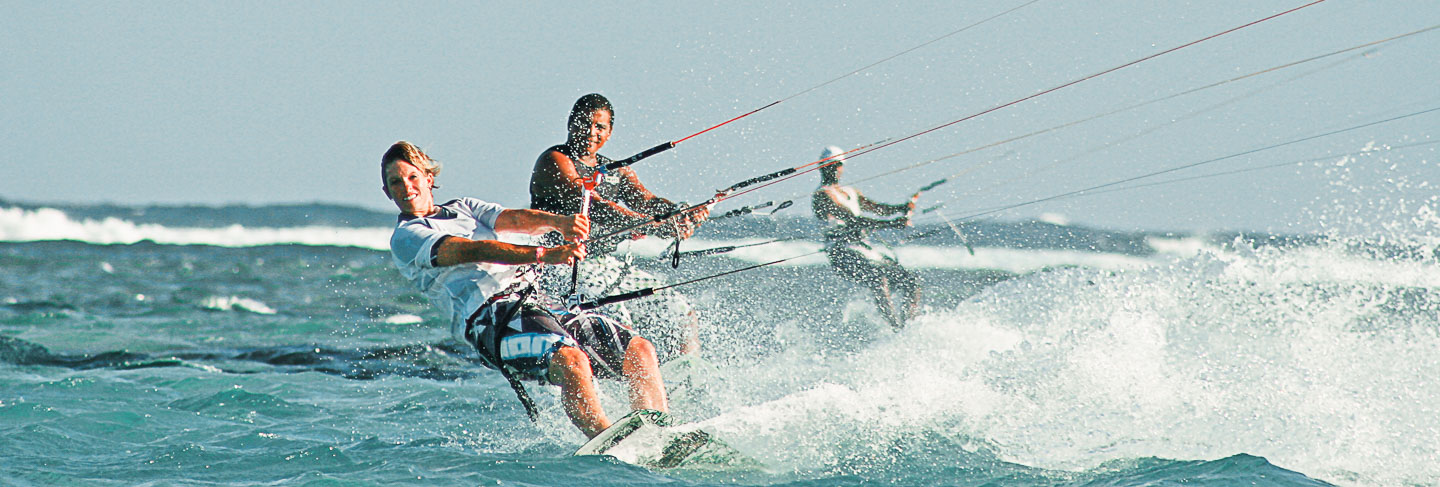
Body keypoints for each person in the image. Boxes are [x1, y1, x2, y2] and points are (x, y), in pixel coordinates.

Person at [382, 140, 667, 438]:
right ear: (388, 192)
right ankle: (610, 440)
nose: (406, 187)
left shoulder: (463, 207)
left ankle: (657, 434)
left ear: (428, 178)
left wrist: (561, 223)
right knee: (571, 360)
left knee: (639, 350)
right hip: (491, 323)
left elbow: (515, 219)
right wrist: (542, 255)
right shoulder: (407, 236)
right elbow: (469, 250)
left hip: (537, 303)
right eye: (395, 182)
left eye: (412, 177)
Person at [530, 93, 710, 361]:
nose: (591, 132)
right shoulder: (555, 161)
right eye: (584, 123)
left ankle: (683, 376)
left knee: (679, 311)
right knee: (621, 323)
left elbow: (647, 200)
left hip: (604, 265)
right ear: (570, 123)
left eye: (600, 127)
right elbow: (595, 205)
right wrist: (652, 226)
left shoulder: (614, 169)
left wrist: (679, 214)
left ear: (610, 132)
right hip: (560, 266)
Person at [811, 145, 922, 330]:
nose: (834, 169)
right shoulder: (822, 195)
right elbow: (854, 220)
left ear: (842, 167)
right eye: (829, 165)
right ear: (821, 167)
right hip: (842, 253)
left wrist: (902, 208)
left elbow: (878, 208)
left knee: (911, 280)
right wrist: (893, 224)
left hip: (865, 250)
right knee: (878, 278)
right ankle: (895, 327)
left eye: (838, 165)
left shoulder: (851, 192)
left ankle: (909, 326)